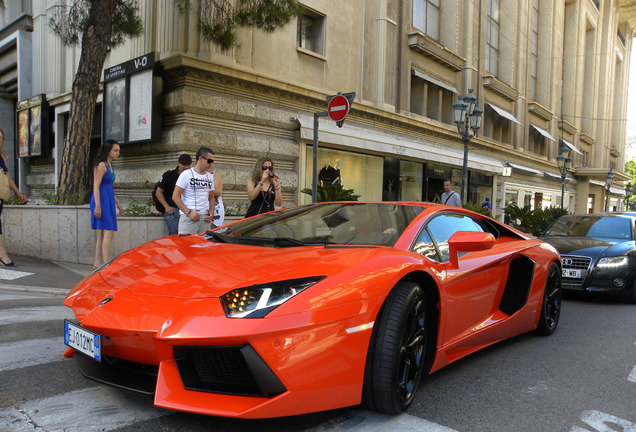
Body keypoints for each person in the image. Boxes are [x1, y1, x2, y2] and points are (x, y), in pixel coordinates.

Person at [90, 139, 125, 269]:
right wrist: (98, 206)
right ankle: (106, 264)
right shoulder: (101, 165)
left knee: (103, 233)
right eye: (115, 150)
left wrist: (118, 204)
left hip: (108, 199)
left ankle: (98, 262)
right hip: (101, 200)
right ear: (108, 151)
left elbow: (109, 187)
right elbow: (96, 186)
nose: (118, 153)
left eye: (118, 151)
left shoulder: (109, 165)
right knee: (108, 232)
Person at [172, 147, 215, 234]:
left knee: (204, 246)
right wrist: (188, 212)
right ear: (200, 159)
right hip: (189, 217)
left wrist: (212, 212)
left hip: (205, 218)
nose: (211, 164)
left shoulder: (210, 176)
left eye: (212, 161)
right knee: (186, 246)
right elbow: (175, 196)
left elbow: (211, 197)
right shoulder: (186, 174)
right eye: (209, 161)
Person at [0, 129, 27, 266]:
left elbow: (7, 177)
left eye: (1, 138)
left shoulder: (2, 156)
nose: (0, 140)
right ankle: (2, 254)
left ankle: (2, 254)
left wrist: (18, 192)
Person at [155, 154, 192, 235]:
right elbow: (158, 192)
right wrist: (166, 206)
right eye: (184, 165)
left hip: (188, 210)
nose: (186, 167)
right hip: (173, 211)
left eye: (188, 165)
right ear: (178, 164)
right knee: (174, 237)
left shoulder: (193, 176)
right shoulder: (169, 175)